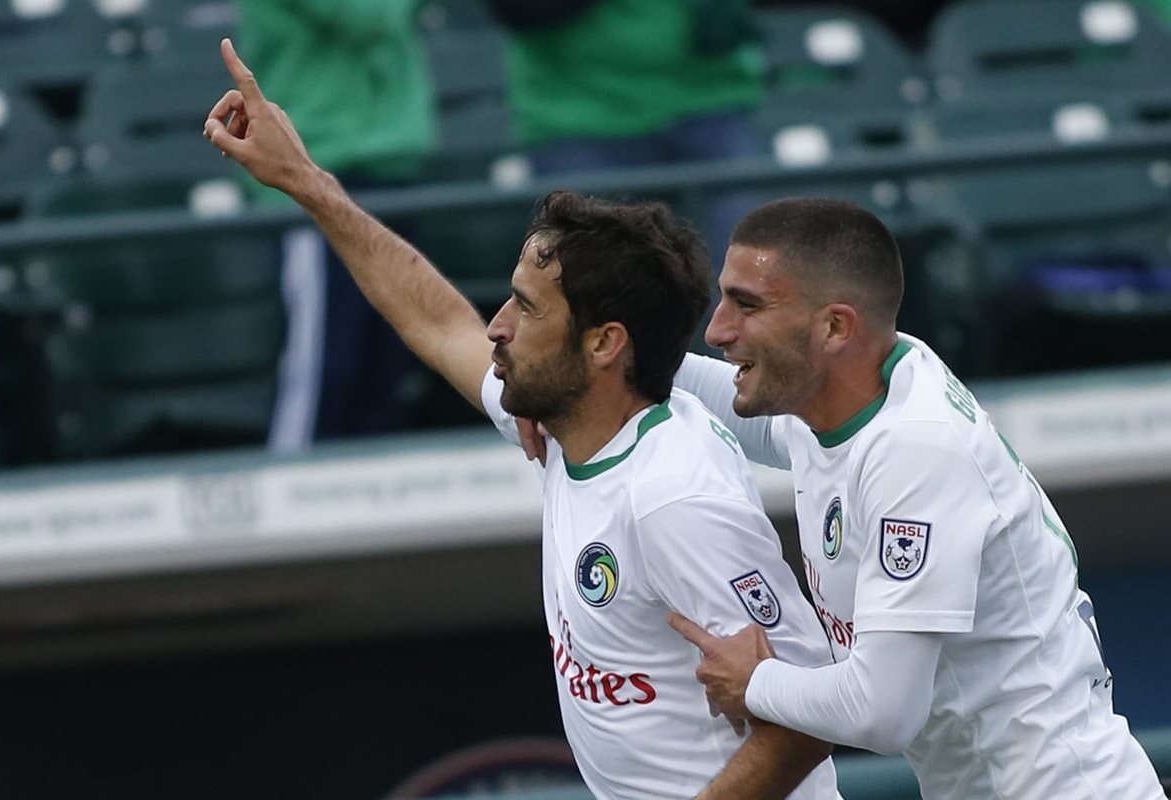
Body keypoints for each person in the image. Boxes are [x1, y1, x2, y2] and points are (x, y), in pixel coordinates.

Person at [202, 39, 841, 799]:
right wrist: (306, 183)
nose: (497, 326)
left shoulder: (674, 496)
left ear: (605, 345)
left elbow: (810, 713)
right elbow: (440, 324)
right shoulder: (567, 420)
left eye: (526, 308)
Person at [654, 198, 1164, 798]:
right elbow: (750, 416)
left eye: (747, 304)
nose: (717, 330)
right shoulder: (857, 383)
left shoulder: (915, 450)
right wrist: (609, 362)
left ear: (836, 327)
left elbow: (883, 709)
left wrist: (757, 680)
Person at [237, 0, 437, 450]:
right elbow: (368, 15)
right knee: (326, 371)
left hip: (393, 168)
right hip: (312, 169)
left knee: (386, 371)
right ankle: (289, 507)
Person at [490, 0, 768, 268]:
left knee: (750, 276)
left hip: (713, 100)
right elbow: (520, 8)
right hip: (579, 115)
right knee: (596, 283)